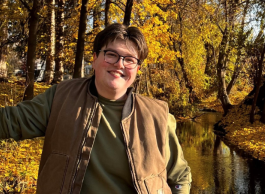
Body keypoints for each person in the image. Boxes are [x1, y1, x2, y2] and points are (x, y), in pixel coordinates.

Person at [0, 23, 191, 194]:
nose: (119, 64)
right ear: (94, 59)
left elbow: (180, 178)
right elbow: (9, 122)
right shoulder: (61, 98)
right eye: (111, 55)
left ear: (137, 69)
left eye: (130, 59)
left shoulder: (158, 116)